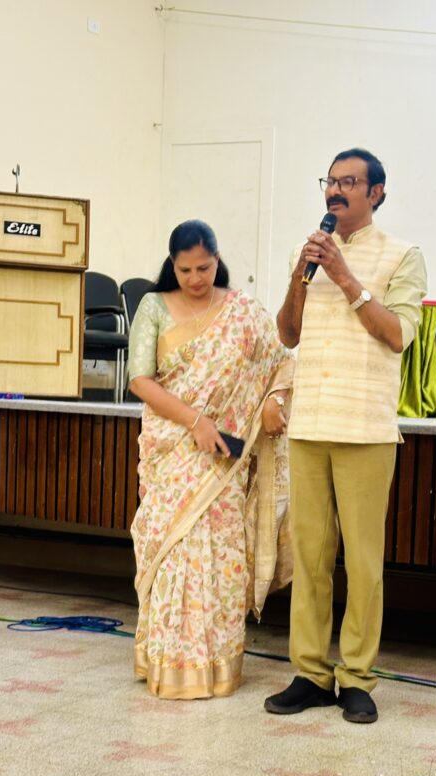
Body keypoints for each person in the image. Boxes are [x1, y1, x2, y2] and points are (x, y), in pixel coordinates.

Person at [264, 147, 427, 724]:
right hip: (309, 423)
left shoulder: (403, 255)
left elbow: (398, 334)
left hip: (364, 427)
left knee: (362, 563)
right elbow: (287, 335)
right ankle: (310, 673)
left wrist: (345, 277)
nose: (335, 191)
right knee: (309, 556)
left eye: (349, 182)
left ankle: (357, 677)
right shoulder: (304, 253)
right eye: (330, 182)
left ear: (376, 192)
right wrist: (299, 279)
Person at [128, 220, 293, 699]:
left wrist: (272, 401)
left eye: (203, 268)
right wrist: (195, 421)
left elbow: (280, 361)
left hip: (225, 458)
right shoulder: (154, 307)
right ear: (172, 266)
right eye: (185, 270)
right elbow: (140, 380)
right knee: (173, 552)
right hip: (174, 448)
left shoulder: (243, 312)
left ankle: (217, 666)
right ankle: (169, 663)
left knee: (219, 556)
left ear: (217, 260)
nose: (195, 278)